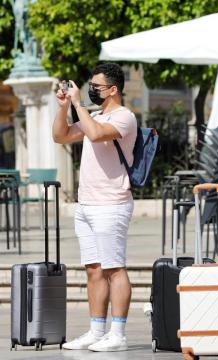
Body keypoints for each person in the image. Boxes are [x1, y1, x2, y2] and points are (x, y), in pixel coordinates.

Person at [53, 63, 137, 352]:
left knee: (114, 268)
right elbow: (60, 136)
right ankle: (96, 329)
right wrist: (65, 106)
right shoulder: (95, 115)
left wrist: (78, 104)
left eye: (97, 86)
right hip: (86, 204)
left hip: (111, 204)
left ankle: (118, 333)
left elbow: (98, 134)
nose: (91, 90)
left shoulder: (124, 117)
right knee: (93, 270)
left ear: (113, 89)